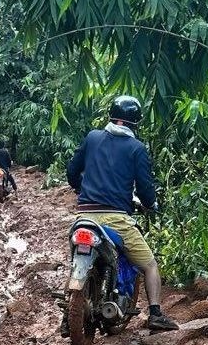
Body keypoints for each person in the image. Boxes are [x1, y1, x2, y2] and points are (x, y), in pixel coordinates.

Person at [65, 95, 178, 332]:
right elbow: (146, 190)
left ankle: (68, 315)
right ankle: (156, 314)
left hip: (84, 217)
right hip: (117, 219)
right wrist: (151, 204)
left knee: (75, 259)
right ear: (136, 122)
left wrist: (79, 188)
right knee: (150, 265)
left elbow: (72, 170)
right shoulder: (136, 149)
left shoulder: (92, 137)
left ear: (110, 116)